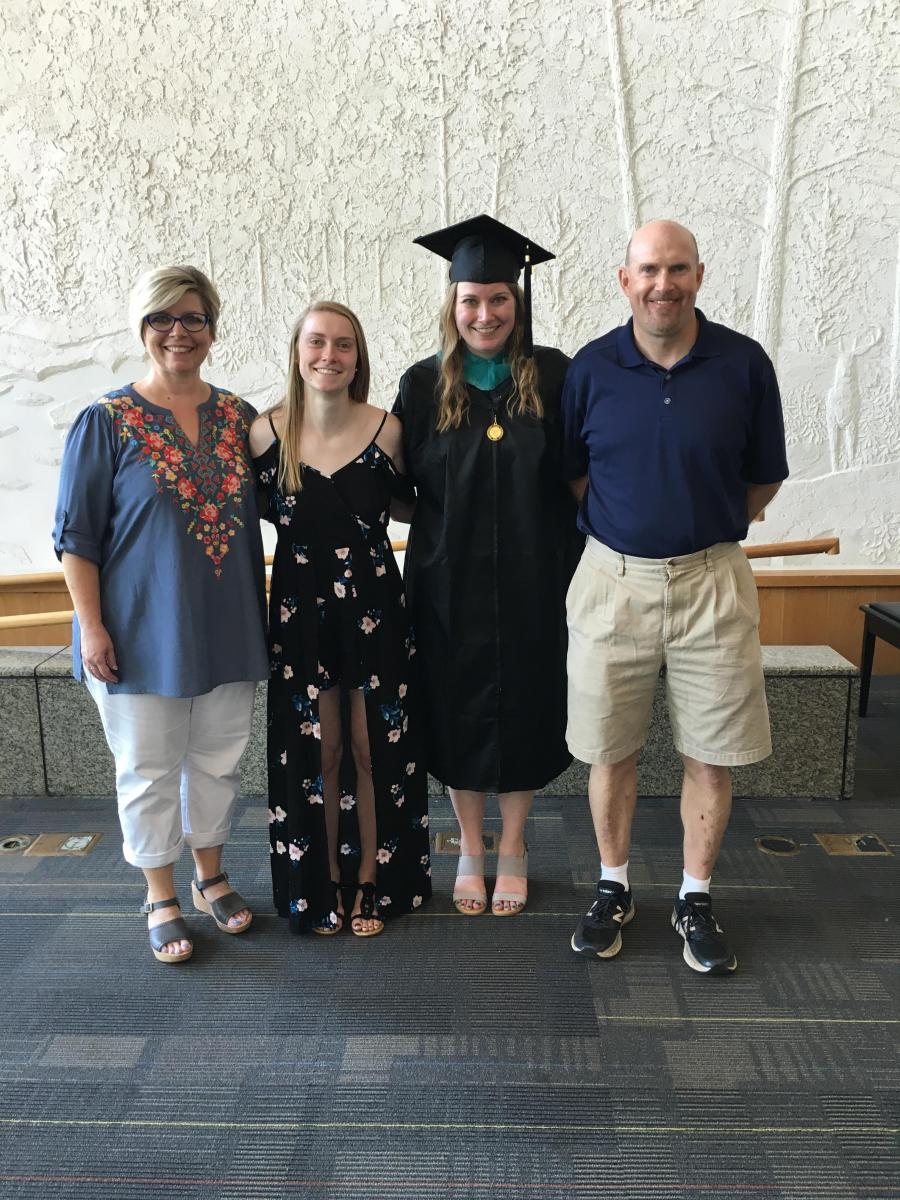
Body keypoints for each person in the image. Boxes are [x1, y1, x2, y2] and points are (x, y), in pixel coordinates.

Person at [561, 219, 789, 974]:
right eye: (649, 269)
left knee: (711, 756)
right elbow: (575, 477)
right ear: (624, 279)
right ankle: (613, 886)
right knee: (609, 750)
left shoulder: (745, 365)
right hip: (612, 584)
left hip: (712, 584)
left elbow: (764, 477)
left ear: (700, 274)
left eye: (679, 268)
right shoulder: (591, 368)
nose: (664, 283)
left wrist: (702, 529)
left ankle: (696, 896)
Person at [53, 265, 268, 964]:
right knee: (147, 768)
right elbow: (75, 538)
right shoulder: (105, 423)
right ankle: (161, 893)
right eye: (163, 319)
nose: (179, 332)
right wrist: (91, 626)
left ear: (212, 328)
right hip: (141, 632)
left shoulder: (241, 418)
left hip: (227, 622)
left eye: (193, 318)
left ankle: (210, 875)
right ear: (142, 328)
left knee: (218, 761)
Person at [394, 215, 582, 917]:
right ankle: (471, 846)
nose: (484, 313)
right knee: (456, 708)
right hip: (448, 586)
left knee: (528, 707)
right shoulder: (421, 387)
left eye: (499, 298)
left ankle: (516, 846)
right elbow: (394, 487)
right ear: (451, 305)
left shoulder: (557, 377)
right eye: (470, 299)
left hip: (539, 582)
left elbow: (584, 478)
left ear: (518, 301)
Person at [250, 301, 432, 937]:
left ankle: (374, 880)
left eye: (344, 345)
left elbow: (423, 509)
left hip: (377, 607)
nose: (329, 356)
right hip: (301, 610)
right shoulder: (263, 435)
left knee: (371, 749)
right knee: (320, 753)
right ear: (297, 353)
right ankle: (322, 881)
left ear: (359, 357)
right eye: (317, 343)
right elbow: (233, 524)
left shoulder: (388, 429)